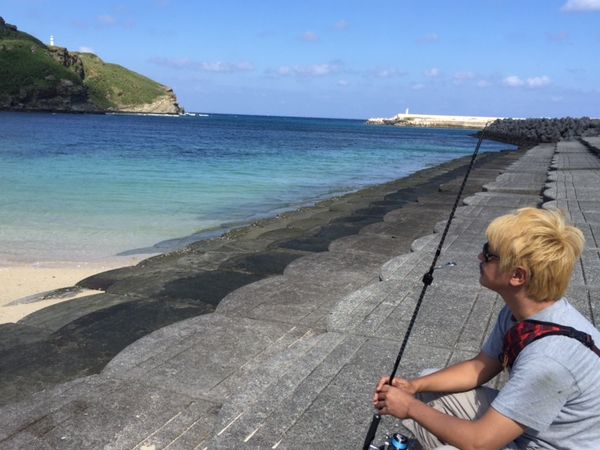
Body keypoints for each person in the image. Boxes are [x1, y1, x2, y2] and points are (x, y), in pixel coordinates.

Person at [373, 207, 600, 450]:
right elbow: (478, 368)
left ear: (517, 276)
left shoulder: (549, 360)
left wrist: (408, 408)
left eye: (488, 254)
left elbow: (480, 443)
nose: (479, 258)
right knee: (428, 389)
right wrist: (414, 386)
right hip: (534, 429)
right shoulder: (524, 313)